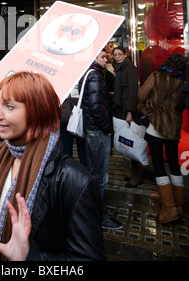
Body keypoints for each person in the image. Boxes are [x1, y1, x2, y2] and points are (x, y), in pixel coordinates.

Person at [0, 71, 106, 261]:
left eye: (10, 107)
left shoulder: (74, 181)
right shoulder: (0, 157)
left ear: (37, 112)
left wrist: (30, 257)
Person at [138, 53, 187, 224]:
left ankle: (169, 209)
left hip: (155, 126)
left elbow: (141, 96)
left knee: (159, 165)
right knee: (174, 164)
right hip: (173, 128)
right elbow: (181, 107)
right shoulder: (184, 83)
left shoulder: (157, 76)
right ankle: (179, 206)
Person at [79, 49, 122, 230]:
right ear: (94, 57)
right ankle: (102, 216)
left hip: (92, 130)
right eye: (103, 56)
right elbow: (97, 107)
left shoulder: (90, 73)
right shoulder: (95, 76)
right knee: (100, 176)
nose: (107, 59)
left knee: (93, 172)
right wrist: (107, 129)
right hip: (98, 131)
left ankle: (91, 212)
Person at [112, 46, 141, 187]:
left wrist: (130, 111)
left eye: (119, 54)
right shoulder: (118, 69)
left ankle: (137, 175)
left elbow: (133, 91)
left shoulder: (130, 68)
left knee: (131, 141)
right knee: (127, 140)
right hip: (121, 108)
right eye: (115, 55)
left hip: (128, 109)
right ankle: (134, 172)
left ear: (125, 54)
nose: (117, 57)